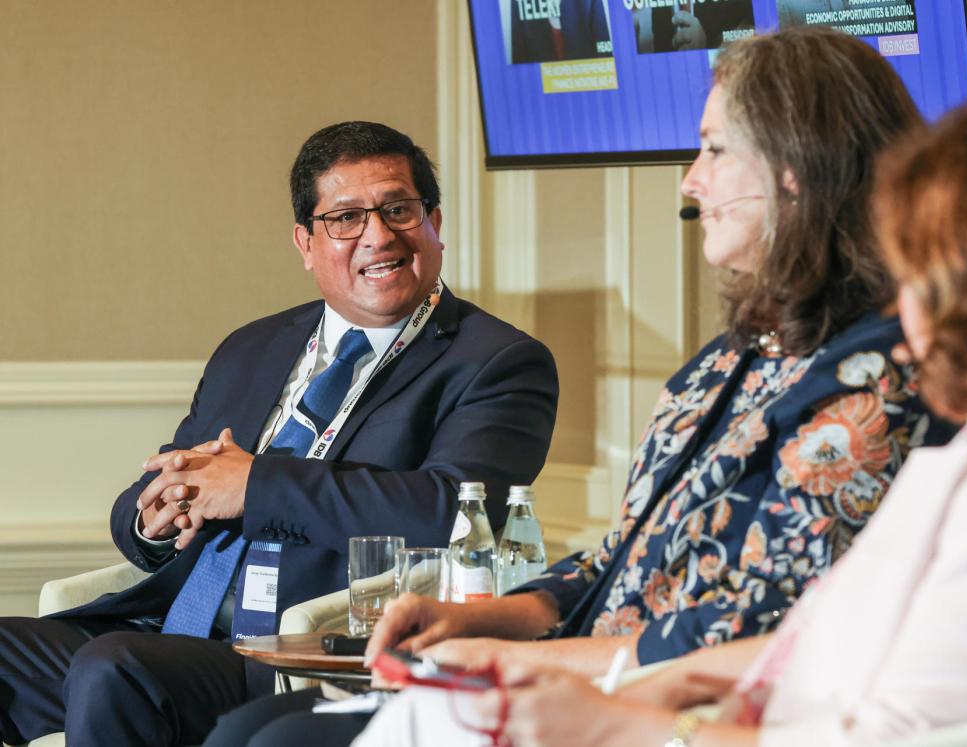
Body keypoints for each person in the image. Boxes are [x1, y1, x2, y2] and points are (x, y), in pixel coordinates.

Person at [207, 25, 954, 747]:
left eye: (715, 149)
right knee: (251, 728)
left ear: (799, 170)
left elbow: (762, 627)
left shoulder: (872, 388)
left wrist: (521, 659)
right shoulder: (726, 362)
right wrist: (483, 617)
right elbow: (622, 557)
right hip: (582, 664)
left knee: (276, 736)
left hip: (666, 705)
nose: (691, 179)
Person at [360, 95, 967, 747]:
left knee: (424, 722)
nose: (901, 305)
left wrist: (627, 722)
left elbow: (896, 730)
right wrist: (649, 681)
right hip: (706, 701)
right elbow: (818, 639)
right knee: (426, 713)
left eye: (915, 275)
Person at [0, 121, 559, 747]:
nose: (379, 235)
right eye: (346, 217)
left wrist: (257, 484)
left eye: (399, 210)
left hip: (296, 652)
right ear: (306, 242)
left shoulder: (497, 362)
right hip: (172, 620)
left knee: (117, 669)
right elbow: (160, 486)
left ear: (435, 223)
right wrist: (152, 519)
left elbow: (449, 512)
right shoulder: (253, 346)